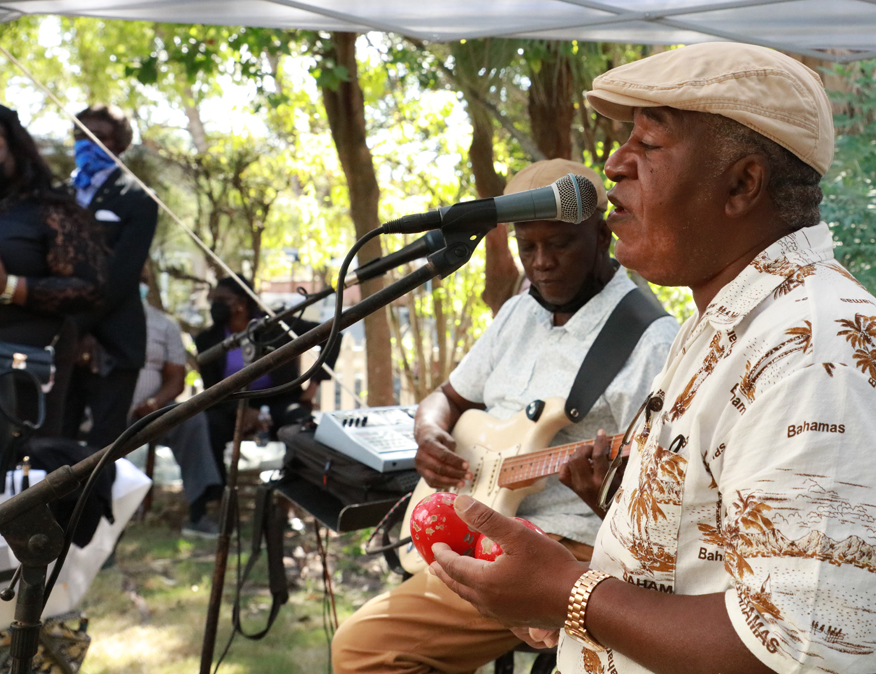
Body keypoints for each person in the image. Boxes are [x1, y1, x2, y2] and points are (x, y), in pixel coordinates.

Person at [429, 44, 876, 674]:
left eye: (649, 144)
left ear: (741, 184)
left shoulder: (819, 356)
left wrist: (567, 594)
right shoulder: (728, 324)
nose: (614, 164)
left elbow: (799, 650)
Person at [330, 158, 681, 674]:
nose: (541, 263)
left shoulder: (653, 341)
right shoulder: (519, 311)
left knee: (364, 653)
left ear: (602, 234)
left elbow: (662, 494)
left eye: (559, 244)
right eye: (527, 247)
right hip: (481, 518)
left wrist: (604, 494)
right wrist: (429, 433)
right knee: (362, 647)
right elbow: (447, 397)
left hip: (568, 546)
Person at [0, 103, 107, 441]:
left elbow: (89, 288)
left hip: (22, 371)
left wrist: (9, 287)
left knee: (17, 477)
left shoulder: (49, 210)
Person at [62, 104, 158, 450]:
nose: (85, 143)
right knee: (52, 444)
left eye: (97, 136)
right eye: (79, 135)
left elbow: (121, 275)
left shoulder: (139, 198)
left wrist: (78, 327)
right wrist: (66, 334)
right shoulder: (58, 195)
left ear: (120, 144)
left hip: (115, 343)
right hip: (61, 344)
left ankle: (98, 505)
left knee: (101, 454)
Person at [195, 274, 338, 481]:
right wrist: (239, 412)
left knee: (300, 425)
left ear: (241, 303)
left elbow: (332, 334)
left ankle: (295, 486)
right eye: (213, 300)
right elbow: (211, 391)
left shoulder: (275, 324)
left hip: (280, 399)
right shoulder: (208, 340)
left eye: (221, 300)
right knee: (207, 426)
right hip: (231, 405)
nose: (214, 306)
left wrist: (313, 386)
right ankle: (214, 493)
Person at [131, 282, 223, 538]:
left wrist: (155, 401)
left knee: (192, 420)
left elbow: (176, 379)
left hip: (150, 411)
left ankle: (198, 511)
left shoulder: (165, 325)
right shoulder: (100, 318)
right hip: (102, 410)